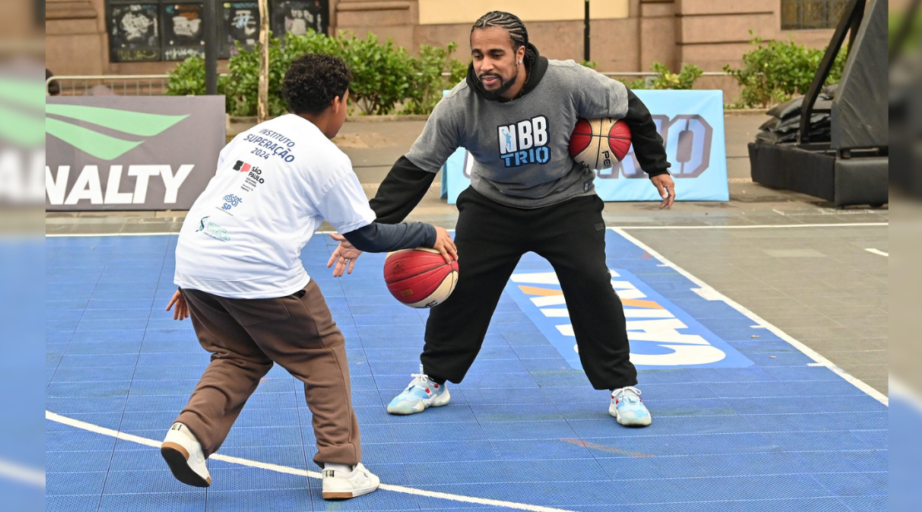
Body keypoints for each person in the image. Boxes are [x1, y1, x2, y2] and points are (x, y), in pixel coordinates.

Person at [330, 11, 675, 427]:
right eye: (477, 55)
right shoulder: (459, 105)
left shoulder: (566, 81)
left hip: (566, 202)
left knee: (592, 283)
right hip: (493, 204)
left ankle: (621, 388)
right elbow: (415, 170)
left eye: (495, 54)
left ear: (521, 53)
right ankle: (433, 380)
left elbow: (630, 105)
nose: (484, 65)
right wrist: (364, 230)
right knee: (461, 287)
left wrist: (655, 165)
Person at [161, 54, 456, 500]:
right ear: (338, 101)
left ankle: (189, 434)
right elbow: (367, 234)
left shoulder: (249, 137)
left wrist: (192, 280)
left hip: (196, 257)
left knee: (239, 354)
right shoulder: (326, 157)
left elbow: (220, 201)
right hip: (256, 270)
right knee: (322, 354)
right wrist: (428, 231)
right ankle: (341, 466)